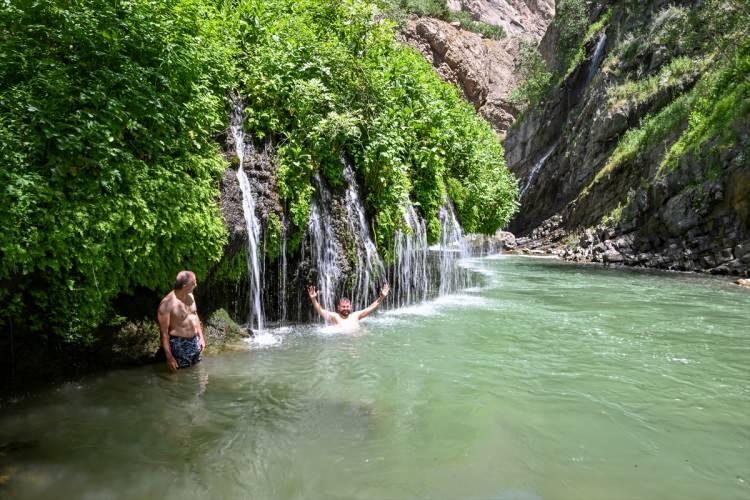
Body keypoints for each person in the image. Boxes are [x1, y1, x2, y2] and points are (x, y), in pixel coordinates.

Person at [158, 270, 206, 371]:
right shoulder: (167, 305)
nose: (196, 285)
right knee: (181, 373)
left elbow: (195, 315)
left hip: (195, 341)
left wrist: (201, 337)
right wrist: (169, 356)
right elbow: (164, 333)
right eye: (193, 283)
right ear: (184, 286)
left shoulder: (190, 296)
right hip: (179, 344)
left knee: (197, 369)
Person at [307, 283, 390, 330]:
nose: (346, 309)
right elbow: (320, 310)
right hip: (342, 345)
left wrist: (382, 297)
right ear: (338, 307)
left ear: (350, 306)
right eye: (343, 307)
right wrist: (314, 299)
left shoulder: (355, 316)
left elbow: (371, 308)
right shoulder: (335, 317)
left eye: (347, 306)